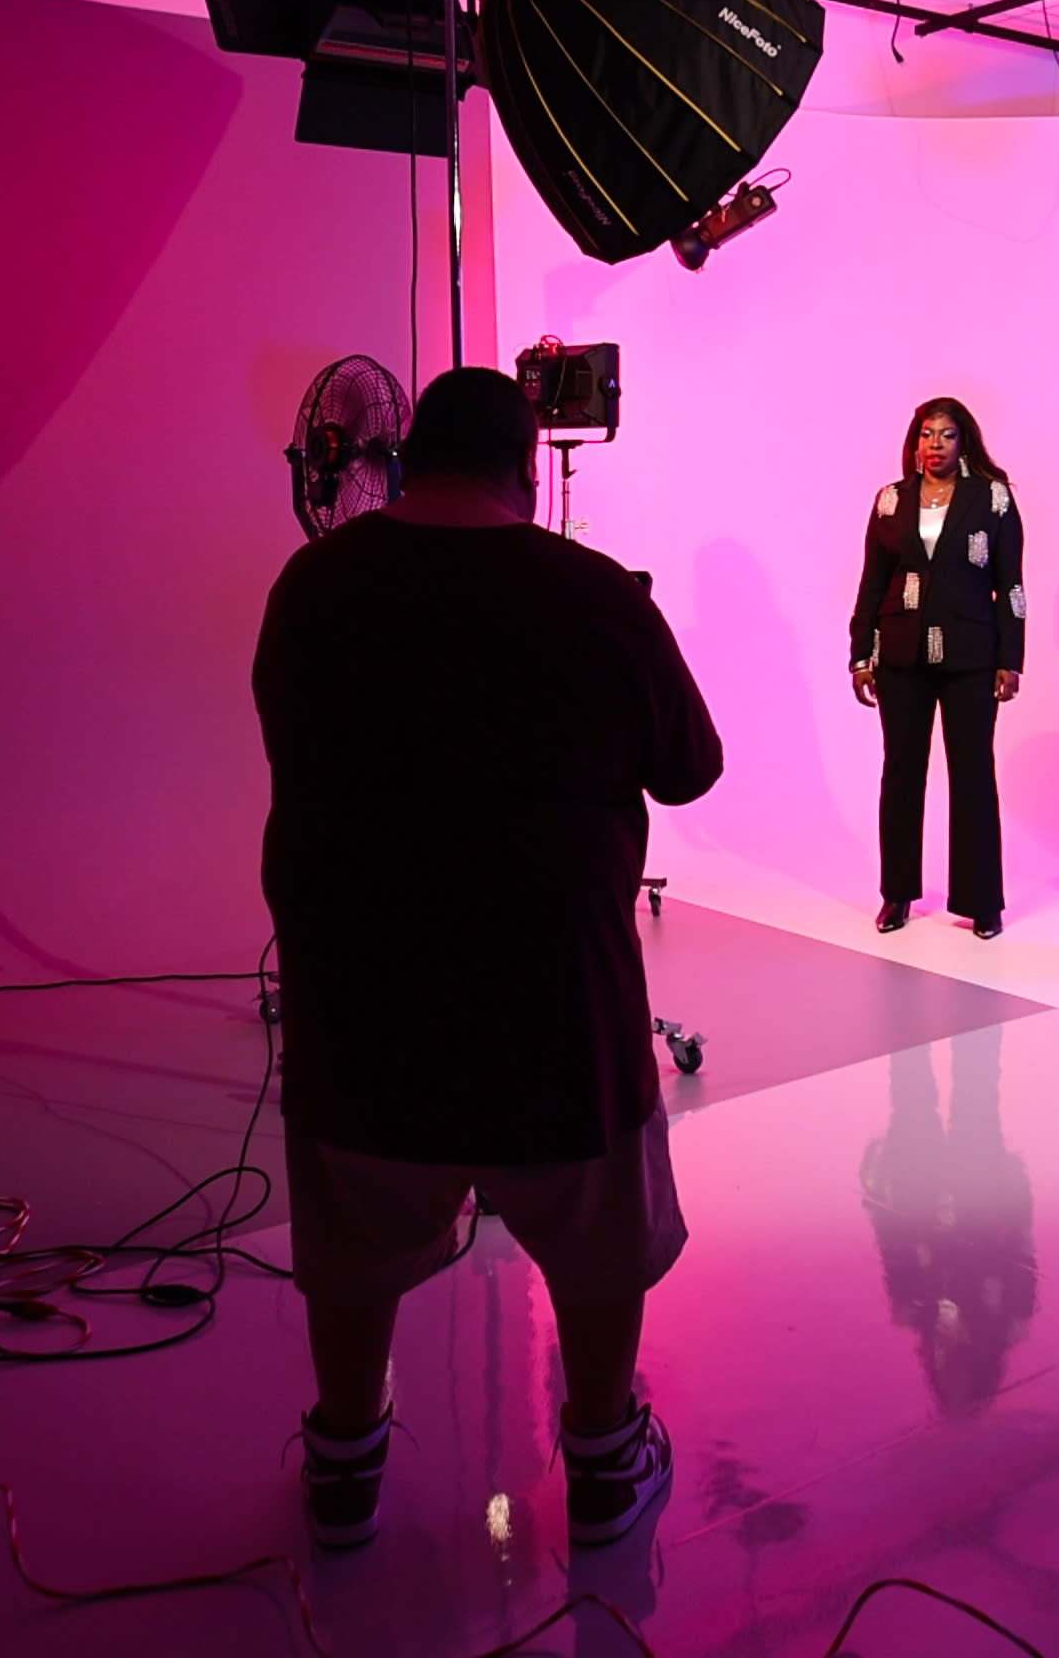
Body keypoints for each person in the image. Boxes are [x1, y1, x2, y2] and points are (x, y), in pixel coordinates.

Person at [253, 366, 723, 1553]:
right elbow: (691, 766)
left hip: (361, 996)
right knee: (596, 1236)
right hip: (556, 1001)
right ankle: (607, 1462)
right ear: (529, 471)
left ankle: (345, 1466)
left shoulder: (313, 587)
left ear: (400, 459)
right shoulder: (596, 595)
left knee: (358, 1243)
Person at [851, 398, 1027, 938]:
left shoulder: (992, 499)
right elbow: (871, 583)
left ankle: (982, 901)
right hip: (900, 655)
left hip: (971, 656)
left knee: (972, 774)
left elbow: (1011, 586)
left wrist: (1010, 659)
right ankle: (896, 894)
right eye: (927, 435)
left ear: (963, 442)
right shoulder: (890, 501)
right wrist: (862, 655)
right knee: (901, 773)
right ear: (915, 442)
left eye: (946, 435)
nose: (934, 445)